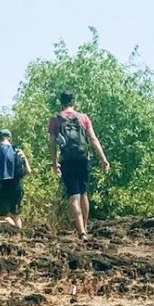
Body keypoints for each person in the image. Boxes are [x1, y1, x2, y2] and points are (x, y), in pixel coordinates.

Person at [46, 91, 111, 239]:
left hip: (67, 161)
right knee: (83, 194)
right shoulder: (83, 118)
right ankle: (85, 228)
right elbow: (93, 139)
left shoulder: (55, 120)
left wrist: (55, 163)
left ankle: (81, 230)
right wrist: (103, 159)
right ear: (73, 103)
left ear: (61, 103)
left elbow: (52, 144)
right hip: (83, 159)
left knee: (73, 196)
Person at [0, 129, 25, 230]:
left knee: (3, 216)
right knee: (16, 216)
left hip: (3, 185)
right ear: (10, 139)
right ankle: (20, 237)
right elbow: (28, 171)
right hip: (17, 185)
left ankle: (16, 232)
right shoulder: (18, 150)